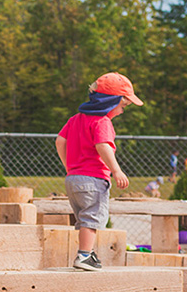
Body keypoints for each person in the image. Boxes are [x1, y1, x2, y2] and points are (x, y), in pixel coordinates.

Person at [55, 71, 141, 271]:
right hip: (93, 179)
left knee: (83, 219)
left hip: (73, 178)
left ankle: (88, 252)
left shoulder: (75, 119)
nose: (122, 111)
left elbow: (60, 141)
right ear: (110, 102)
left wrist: (69, 166)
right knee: (92, 219)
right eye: (122, 105)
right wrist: (117, 170)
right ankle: (84, 255)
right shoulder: (102, 122)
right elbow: (103, 146)